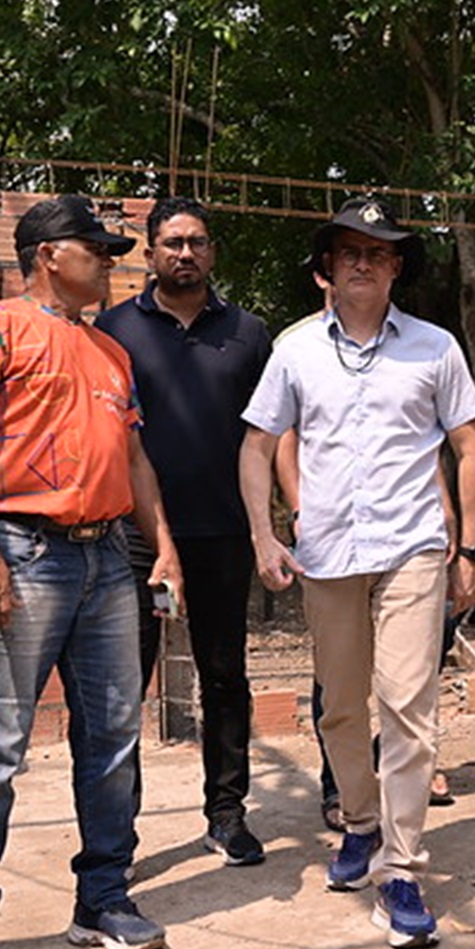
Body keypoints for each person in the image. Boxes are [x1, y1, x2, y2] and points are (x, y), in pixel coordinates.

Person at [0, 195, 184, 949]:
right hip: (20, 550)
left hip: (107, 557)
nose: (108, 262)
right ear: (47, 254)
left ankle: (103, 898)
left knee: (112, 739)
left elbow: (133, 460)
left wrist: (164, 545)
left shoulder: (109, 352)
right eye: (96, 249)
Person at [238, 196, 475, 949]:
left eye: (378, 252)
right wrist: (264, 536)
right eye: (350, 251)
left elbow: (471, 447)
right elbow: (257, 446)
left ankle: (402, 870)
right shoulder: (294, 350)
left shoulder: (435, 348)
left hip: (413, 548)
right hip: (328, 554)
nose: (363, 263)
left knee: (408, 705)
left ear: (395, 268)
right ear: (327, 267)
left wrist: (471, 549)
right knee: (342, 707)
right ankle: (360, 822)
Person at [94, 197, 271, 867]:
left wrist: (270, 523)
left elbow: (269, 435)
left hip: (224, 530)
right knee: (123, 686)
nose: (186, 253)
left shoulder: (248, 334)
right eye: (172, 243)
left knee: (225, 676)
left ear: (212, 251)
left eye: (197, 242)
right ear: (150, 253)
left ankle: (227, 814)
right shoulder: (113, 331)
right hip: (132, 537)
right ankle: (116, 834)